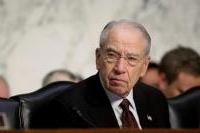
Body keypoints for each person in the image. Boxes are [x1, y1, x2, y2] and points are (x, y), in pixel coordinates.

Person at [40, 20, 170, 129]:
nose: (120, 68)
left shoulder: (155, 99)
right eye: (112, 55)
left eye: (131, 58)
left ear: (144, 66)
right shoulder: (66, 108)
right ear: (98, 58)